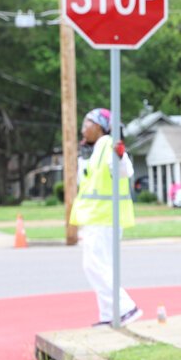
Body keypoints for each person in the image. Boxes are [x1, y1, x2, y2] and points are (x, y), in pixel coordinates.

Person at [70, 108, 142, 327]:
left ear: (99, 126)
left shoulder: (107, 145)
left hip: (103, 220)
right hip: (102, 219)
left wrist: (119, 155)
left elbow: (124, 170)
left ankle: (126, 307)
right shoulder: (97, 149)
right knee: (101, 267)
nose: (83, 128)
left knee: (95, 266)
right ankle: (109, 315)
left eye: (87, 123)